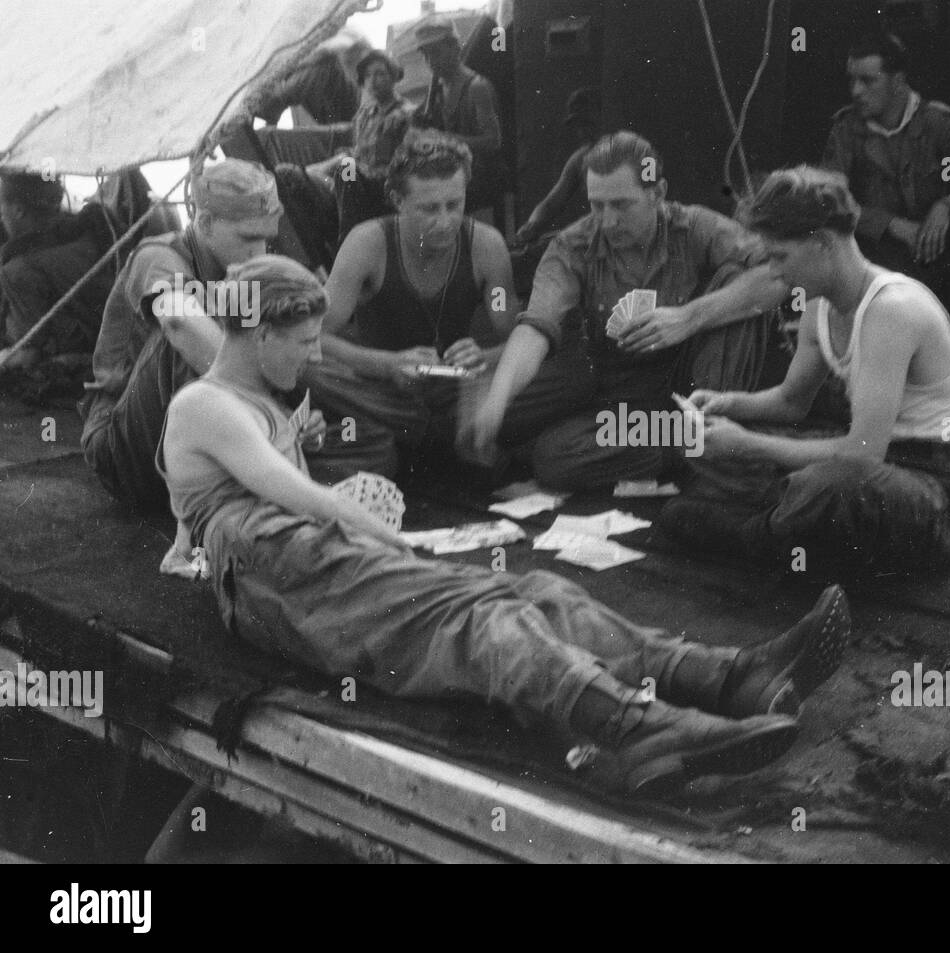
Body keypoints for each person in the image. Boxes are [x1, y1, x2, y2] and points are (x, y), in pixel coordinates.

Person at [158, 254, 851, 795]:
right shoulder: (206, 402)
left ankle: (724, 676)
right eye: (302, 341)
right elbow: (289, 495)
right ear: (255, 332)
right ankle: (631, 726)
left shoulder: (260, 396)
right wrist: (393, 538)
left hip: (297, 557)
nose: (313, 354)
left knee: (538, 592)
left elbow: (245, 506)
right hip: (269, 566)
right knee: (477, 614)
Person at [658, 167, 950, 582]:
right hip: (873, 465)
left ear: (825, 244)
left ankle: (752, 533)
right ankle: (789, 523)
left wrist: (748, 445)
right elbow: (791, 401)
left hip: (933, 490)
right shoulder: (821, 303)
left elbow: (862, 456)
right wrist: (727, 404)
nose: (774, 273)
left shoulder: (892, 308)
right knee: (710, 452)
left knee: (834, 484)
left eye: (780, 256)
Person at [465, 131, 787, 490]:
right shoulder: (572, 246)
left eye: (621, 205)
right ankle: (690, 448)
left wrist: (689, 317)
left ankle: (705, 435)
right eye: (597, 205)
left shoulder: (694, 226)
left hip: (699, 385)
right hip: (625, 403)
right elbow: (535, 328)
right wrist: (496, 400)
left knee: (736, 276)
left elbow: (777, 276)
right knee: (555, 456)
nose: (607, 220)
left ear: (658, 193)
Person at [304, 133, 560, 483]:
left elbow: (516, 337)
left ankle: (426, 441)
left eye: (454, 205)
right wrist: (388, 365)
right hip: (382, 392)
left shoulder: (486, 246)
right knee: (311, 373)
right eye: (428, 209)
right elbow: (314, 337)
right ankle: (449, 445)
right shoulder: (367, 244)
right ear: (397, 200)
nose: (444, 221)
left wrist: (484, 357)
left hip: (452, 394)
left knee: (562, 366)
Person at [80, 159, 285, 514]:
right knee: (185, 326)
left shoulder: (242, 271)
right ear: (204, 223)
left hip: (172, 437)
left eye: (267, 239)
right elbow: (178, 321)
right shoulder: (159, 255)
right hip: (117, 447)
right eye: (249, 238)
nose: (260, 252)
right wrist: (270, 407)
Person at [822, 31, 950, 327]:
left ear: (897, 81)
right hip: (883, 258)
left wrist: (947, 207)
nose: (856, 91)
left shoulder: (936, 124)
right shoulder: (846, 131)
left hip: (935, 252)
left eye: (868, 81)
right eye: (852, 80)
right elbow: (830, 200)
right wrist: (889, 225)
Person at [0, 172, 117, 377]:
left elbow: (27, 353)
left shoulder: (19, 272)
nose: (2, 215)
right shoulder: (88, 235)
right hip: (111, 350)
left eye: (3, 207)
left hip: (76, 368)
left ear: (18, 210)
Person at [310, 50, 413, 243]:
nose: (372, 81)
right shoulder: (365, 113)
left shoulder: (406, 114)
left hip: (386, 183)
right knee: (318, 174)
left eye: (380, 74)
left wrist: (353, 166)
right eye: (367, 75)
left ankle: (348, 240)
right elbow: (358, 151)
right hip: (360, 179)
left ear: (393, 76)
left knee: (346, 170)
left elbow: (406, 163)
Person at [410, 23, 504, 220]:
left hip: (479, 177)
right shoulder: (438, 86)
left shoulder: (477, 87)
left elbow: (493, 142)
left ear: (456, 48)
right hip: (452, 170)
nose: (430, 61)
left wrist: (442, 138)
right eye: (425, 55)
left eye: (436, 53)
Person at [514, 87, 601, 246]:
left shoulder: (633, 152)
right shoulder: (581, 159)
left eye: (587, 123)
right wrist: (531, 226)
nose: (583, 132)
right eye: (578, 126)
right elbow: (550, 204)